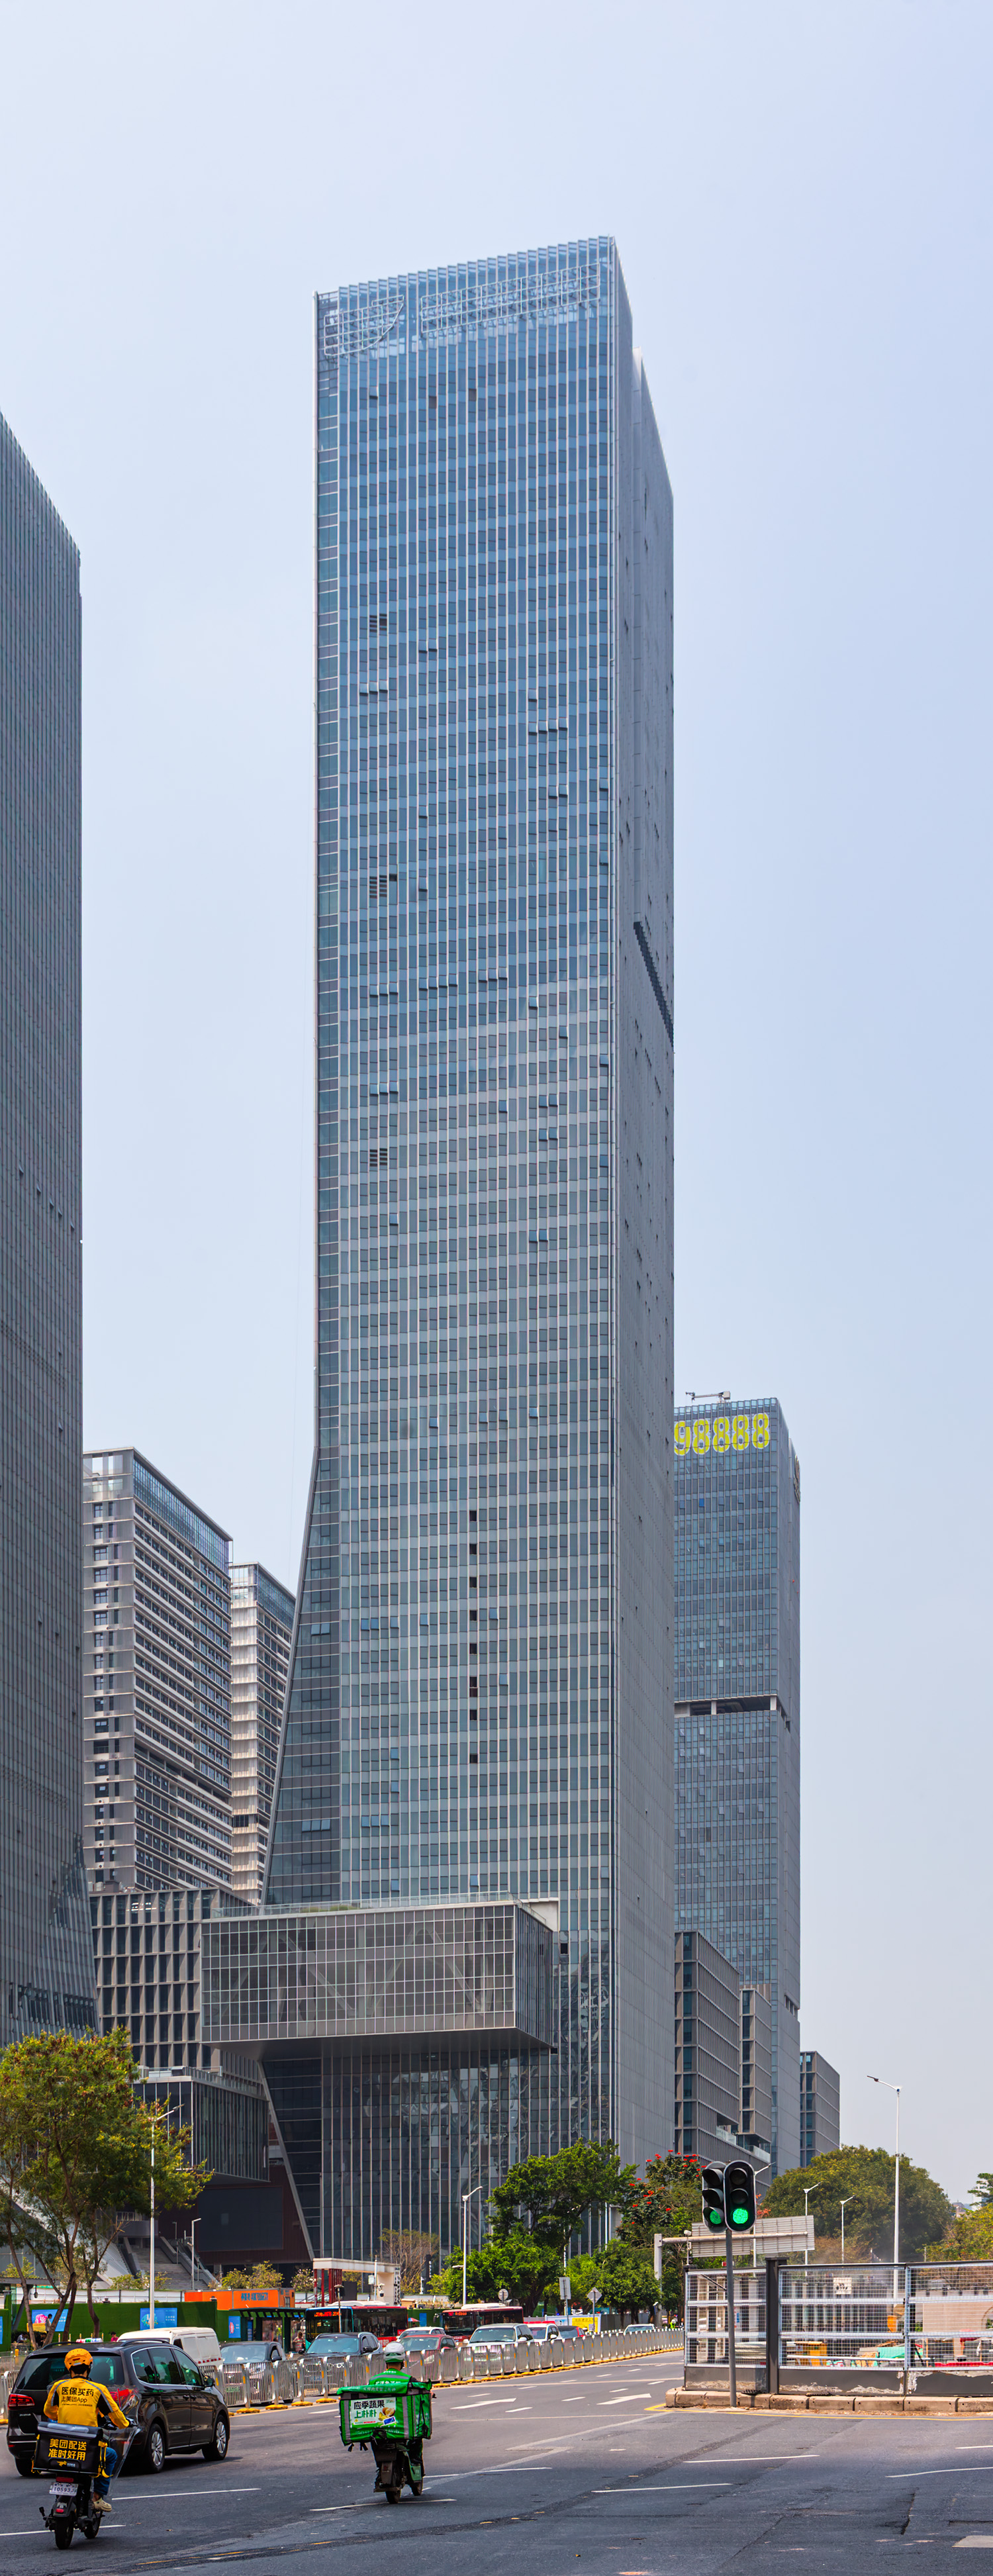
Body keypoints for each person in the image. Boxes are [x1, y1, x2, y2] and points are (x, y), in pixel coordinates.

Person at [42, 2346, 130, 2516]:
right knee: (110, 2455)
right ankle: (97, 2497)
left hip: (63, 2446)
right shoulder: (98, 2389)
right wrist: (125, 2424)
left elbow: (49, 2411)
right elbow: (115, 2415)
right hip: (87, 2448)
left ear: (69, 2368)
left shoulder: (59, 2387)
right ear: (89, 2367)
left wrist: (61, 2413)